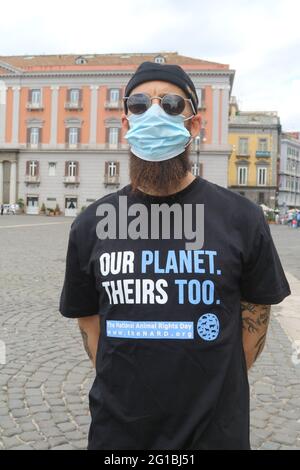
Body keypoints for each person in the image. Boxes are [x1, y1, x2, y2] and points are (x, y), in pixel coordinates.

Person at [59, 61, 291, 450]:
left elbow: (254, 323)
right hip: (120, 436)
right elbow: (89, 322)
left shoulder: (241, 217)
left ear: (194, 125)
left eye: (170, 104)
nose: (153, 113)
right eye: (138, 104)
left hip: (215, 436)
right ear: (127, 123)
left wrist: (213, 385)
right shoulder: (90, 223)